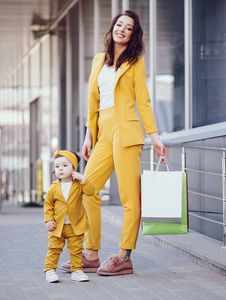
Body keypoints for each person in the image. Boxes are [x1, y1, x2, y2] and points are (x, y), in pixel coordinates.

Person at [60, 10, 167, 276]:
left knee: (129, 198)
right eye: (119, 24)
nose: (122, 29)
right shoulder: (99, 60)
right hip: (103, 130)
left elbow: (143, 101)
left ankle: (124, 255)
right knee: (87, 187)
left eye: (128, 28)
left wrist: (154, 136)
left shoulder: (135, 62)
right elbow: (93, 101)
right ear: (112, 28)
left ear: (133, 35)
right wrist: (89, 134)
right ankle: (91, 253)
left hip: (126, 131)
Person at [44, 150, 95, 283]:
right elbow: (48, 205)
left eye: (65, 165)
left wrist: (84, 179)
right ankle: (50, 270)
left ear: (73, 168)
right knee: (54, 248)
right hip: (57, 226)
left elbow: (90, 192)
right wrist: (48, 220)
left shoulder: (78, 185)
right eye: (57, 166)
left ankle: (77, 270)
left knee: (76, 249)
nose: (60, 168)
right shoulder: (53, 188)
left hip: (75, 225)